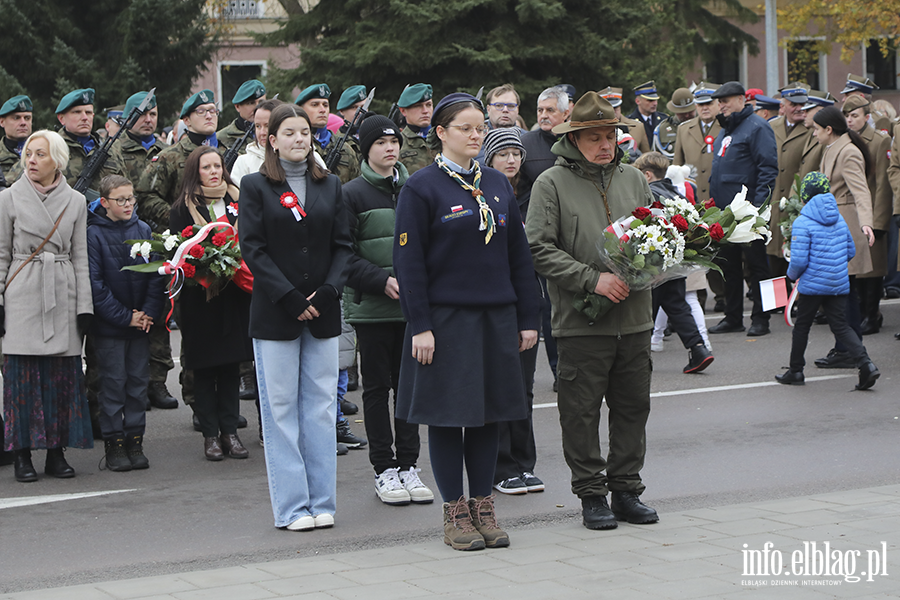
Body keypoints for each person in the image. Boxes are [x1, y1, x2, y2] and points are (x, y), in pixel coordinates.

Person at [393, 92, 539, 550]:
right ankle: (455, 513)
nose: (476, 135)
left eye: (480, 128)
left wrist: (527, 317)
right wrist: (420, 324)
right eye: (465, 128)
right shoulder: (421, 188)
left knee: (487, 418)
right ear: (441, 133)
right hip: (445, 320)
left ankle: (483, 507)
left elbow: (518, 255)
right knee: (447, 418)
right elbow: (408, 262)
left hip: (496, 317)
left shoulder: (496, 183)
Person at [526, 92, 659, 531]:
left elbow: (654, 235)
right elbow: (537, 248)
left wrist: (657, 263)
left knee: (632, 406)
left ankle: (626, 490)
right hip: (581, 321)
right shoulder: (551, 183)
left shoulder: (634, 179)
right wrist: (591, 278)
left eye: (611, 136)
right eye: (594, 137)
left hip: (636, 316)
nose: (605, 145)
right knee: (580, 411)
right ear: (574, 139)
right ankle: (591, 494)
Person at [239, 103, 352, 531]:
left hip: (322, 311)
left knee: (321, 408)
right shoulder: (255, 186)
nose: (299, 139)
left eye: (304, 132)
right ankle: (291, 508)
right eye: (289, 132)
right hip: (276, 313)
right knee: (281, 409)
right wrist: (288, 296)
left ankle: (323, 502)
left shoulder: (331, 185)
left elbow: (343, 246)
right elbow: (253, 248)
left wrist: (326, 293)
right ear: (272, 139)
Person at [341, 114, 433, 504]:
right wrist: (381, 280)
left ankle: (409, 465)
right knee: (378, 390)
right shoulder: (352, 194)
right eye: (380, 143)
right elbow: (343, 255)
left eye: (394, 142)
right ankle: (384, 469)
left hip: (411, 310)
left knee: (409, 389)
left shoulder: (414, 188)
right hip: (373, 310)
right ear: (367, 149)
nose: (390, 148)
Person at [0, 130, 93, 483]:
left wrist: (85, 305)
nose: (32, 160)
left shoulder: (76, 201)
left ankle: (57, 453)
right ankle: (22, 455)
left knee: (61, 380)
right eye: (28, 154)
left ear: (57, 159)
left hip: (62, 290)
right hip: (22, 292)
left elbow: (82, 256)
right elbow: (1, 254)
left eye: (40, 154)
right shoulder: (8, 199)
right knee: (21, 380)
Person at [169, 146, 252, 461]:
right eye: (207, 167)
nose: (215, 172)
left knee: (231, 366)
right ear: (195, 172)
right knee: (204, 369)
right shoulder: (182, 208)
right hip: (199, 298)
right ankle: (210, 435)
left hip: (234, 296)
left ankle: (230, 432)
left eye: (218, 166)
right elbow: (180, 252)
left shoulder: (237, 199)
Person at [480, 126, 545, 496]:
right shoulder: (482, 194)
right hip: (493, 302)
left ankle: (524, 463)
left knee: (524, 387)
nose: (511, 160)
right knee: (497, 386)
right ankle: (500, 464)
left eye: (516, 153)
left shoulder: (532, 195)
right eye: (503, 153)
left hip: (525, 297)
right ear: (488, 158)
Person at [87, 174, 164, 471]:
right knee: (113, 384)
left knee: (137, 384)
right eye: (121, 200)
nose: (128, 204)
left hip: (140, 325)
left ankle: (135, 440)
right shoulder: (94, 234)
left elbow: (157, 277)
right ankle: (114, 443)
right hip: (110, 327)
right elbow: (95, 285)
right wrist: (124, 317)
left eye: (131, 198)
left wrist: (146, 314)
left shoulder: (143, 229)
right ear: (105, 203)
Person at [777, 172, 879, 390]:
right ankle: (866, 364)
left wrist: (791, 276)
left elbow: (799, 260)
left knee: (802, 327)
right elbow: (850, 250)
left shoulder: (803, 221)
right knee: (841, 326)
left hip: (813, 285)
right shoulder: (839, 217)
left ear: (806, 195)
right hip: (838, 282)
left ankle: (796, 370)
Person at [110, 91, 178, 411]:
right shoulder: (116, 150)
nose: (148, 119)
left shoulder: (167, 151)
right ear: (128, 118)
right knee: (130, 305)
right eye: (141, 114)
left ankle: (157, 380)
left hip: (161, 238)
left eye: (153, 114)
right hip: (129, 237)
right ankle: (130, 383)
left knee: (159, 306)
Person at [707, 81, 778, 337]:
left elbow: (767, 169)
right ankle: (733, 316)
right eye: (719, 102)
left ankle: (762, 319)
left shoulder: (757, 127)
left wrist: (758, 209)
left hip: (749, 212)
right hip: (726, 213)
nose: (721, 106)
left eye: (725, 101)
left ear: (741, 100)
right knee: (729, 266)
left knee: (759, 267)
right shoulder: (726, 130)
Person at [633, 152, 713, 373]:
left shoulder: (648, 193)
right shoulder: (677, 194)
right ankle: (698, 349)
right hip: (674, 262)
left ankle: (635, 360)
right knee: (677, 306)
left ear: (647, 175)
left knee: (643, 312)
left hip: (654, 266)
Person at [811, 106, 876, 369]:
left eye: (816, 129)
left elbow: (861, 191)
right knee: (840, 292)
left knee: (842, 293)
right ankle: (847, 346)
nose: (814, 133)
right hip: (835, 224)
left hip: (845, 227)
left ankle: (849, 348)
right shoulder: (833, 148)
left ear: (829, 129)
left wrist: (867, 224)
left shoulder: (847, 152)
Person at [518, 85, 571, 391]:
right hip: (536, 237)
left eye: (551, 110)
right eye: (540, 110)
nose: (544, 115)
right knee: (547, 307)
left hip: (569, 236)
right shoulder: (526, 144)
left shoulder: (577, 142)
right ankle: (558, 371)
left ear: (567, 112)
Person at [842, 96, 892, 335]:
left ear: (866, 117)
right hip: (852, 215)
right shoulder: (846, 141)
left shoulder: (879, 141)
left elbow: (883, 184)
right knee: (857, 267)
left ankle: (873, 314)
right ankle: (862, 312)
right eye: (847, 116)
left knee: (872, 271)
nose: (850, 121)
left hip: (871, 213)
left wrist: (879, 220)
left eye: (855, 116)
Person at [768, 84, 811, 275]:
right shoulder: (771, 126)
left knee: (795, 258)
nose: (799, 108)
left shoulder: (811, 129)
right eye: (793, 104)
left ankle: (794, 303)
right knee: (772, 260)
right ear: (783, 106)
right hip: (773, 203)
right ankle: (776, 305)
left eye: (802, 104)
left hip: (798, 205)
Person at [52, 88, 125, 190]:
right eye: (77, 112)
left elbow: (124, 187)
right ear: (61, 118)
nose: (85, 117)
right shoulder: (51, 148)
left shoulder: (110, 149)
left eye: (88, 112)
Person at [294, 83, 359, 184]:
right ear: (300, 110)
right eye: (315, 105)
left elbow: (355, 187)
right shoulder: (296, 145)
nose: (322, 110)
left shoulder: (345, 148)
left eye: (325, 105)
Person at [232, 99, 283, 186]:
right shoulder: (244, 162)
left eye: (267, 126)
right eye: (258, 126)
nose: (262, 132)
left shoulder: (305, 155)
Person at [217, 79, 266, 154]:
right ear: (237, 107)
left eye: (261, 102)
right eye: (250, 103)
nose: (257, 107)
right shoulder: (221, 138)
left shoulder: (274, 133)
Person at [396, 83, 435, 175]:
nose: (425, 111)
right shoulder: (398, 144)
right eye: (418, 106)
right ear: (403, 111)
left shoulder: (444, 139)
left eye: (428, 105)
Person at [797, 90, 835, 181]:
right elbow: (801, 169)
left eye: (808, 110)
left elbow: (824, 171)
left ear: (822, 111)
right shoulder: (811, 132)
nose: (804, 114)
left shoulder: (828, 136)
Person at [627, 81, 667, 154]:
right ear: (638, 101)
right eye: (650, 100)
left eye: (655, 100)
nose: (655, 103)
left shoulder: (664, 119)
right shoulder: (629, 122)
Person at [0, 95, 33, 180]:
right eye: (16, 118)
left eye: (27, 118)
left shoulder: (45, 151)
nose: (23, 123)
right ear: (2, 122)